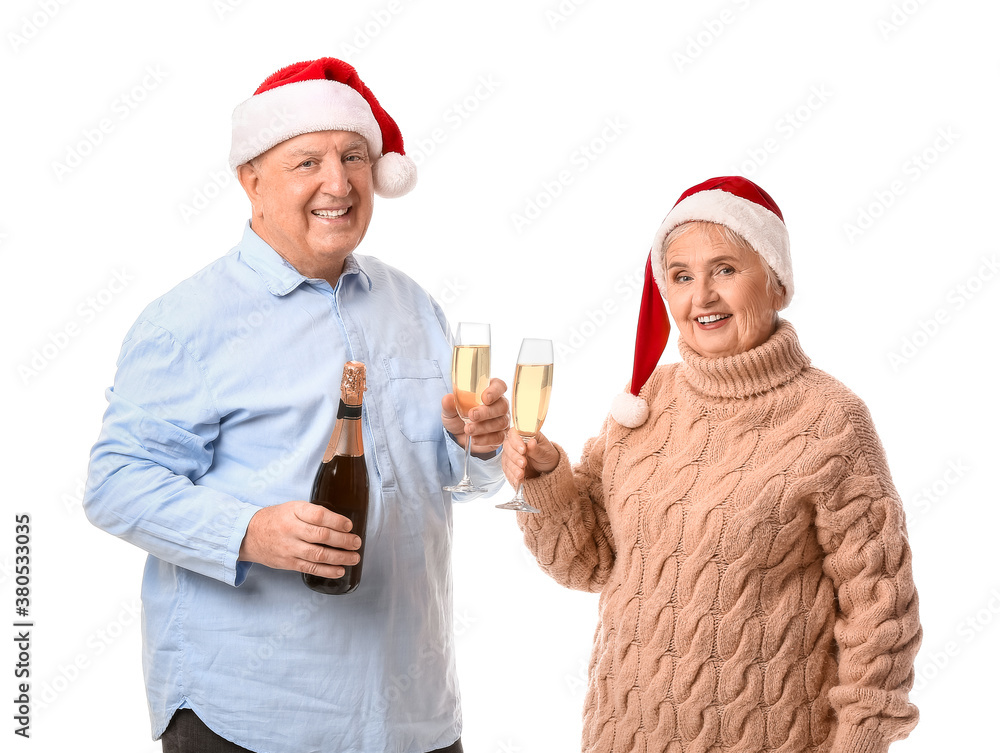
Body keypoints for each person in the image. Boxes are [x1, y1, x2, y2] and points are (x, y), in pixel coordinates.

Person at [84, 57, 509, 753]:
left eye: (353, 157)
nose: (337, 183)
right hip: (251, 715)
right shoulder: (188, 320)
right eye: (306, 161)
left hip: (412, 713)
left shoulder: (413, 305)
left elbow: (457, 480)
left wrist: (476, 444)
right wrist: (249, 531)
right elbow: (115, 484)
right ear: (249, 180)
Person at [503, 176, 921, 753]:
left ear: (775, 283)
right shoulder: (646, 401)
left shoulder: (831, 420)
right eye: (681, 276)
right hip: (622, 736)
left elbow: (881, 613)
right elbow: (588, 563)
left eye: (725, 269)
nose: (702, 297)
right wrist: (547, 480)